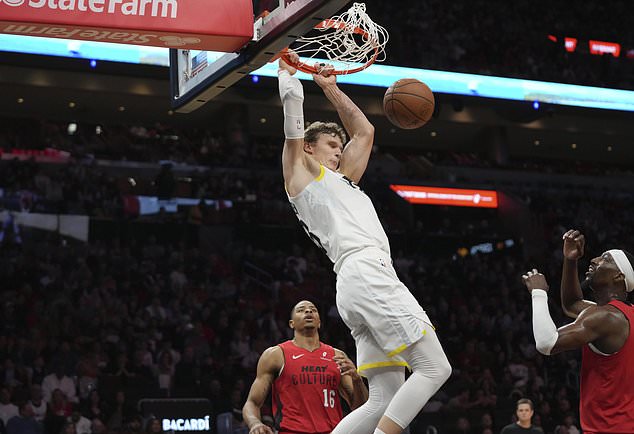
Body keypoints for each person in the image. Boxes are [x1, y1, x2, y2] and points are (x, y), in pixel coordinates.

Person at [275, 52, 451, 434]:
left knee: (384, 398)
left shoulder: (343, 181)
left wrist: (330, 87)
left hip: (358, 282)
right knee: (436, 368)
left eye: (341, 147)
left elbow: (365, 132)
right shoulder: (302, 175)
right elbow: (292, 123)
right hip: (366, 274)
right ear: (310, 148)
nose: (340, 151)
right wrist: (288, 77)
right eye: (330, 146)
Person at [522, 229, 634, 434]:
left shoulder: (605, 318)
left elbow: (547, 343)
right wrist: (570, 260)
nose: (594, 259)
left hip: (609, 429)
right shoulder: (619, 315)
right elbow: (572, 304)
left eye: (605, 259)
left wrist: (538, 294)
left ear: (619, 276)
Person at [243, 300, 368, 434]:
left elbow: (362, 409)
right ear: (292, 323)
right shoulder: (275, 355)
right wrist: (255, 424)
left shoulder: (337, 356)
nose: (308, 311)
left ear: (319, 322)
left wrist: (357, 379)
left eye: (313, 310)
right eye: (301, 310)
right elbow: (252, 403)